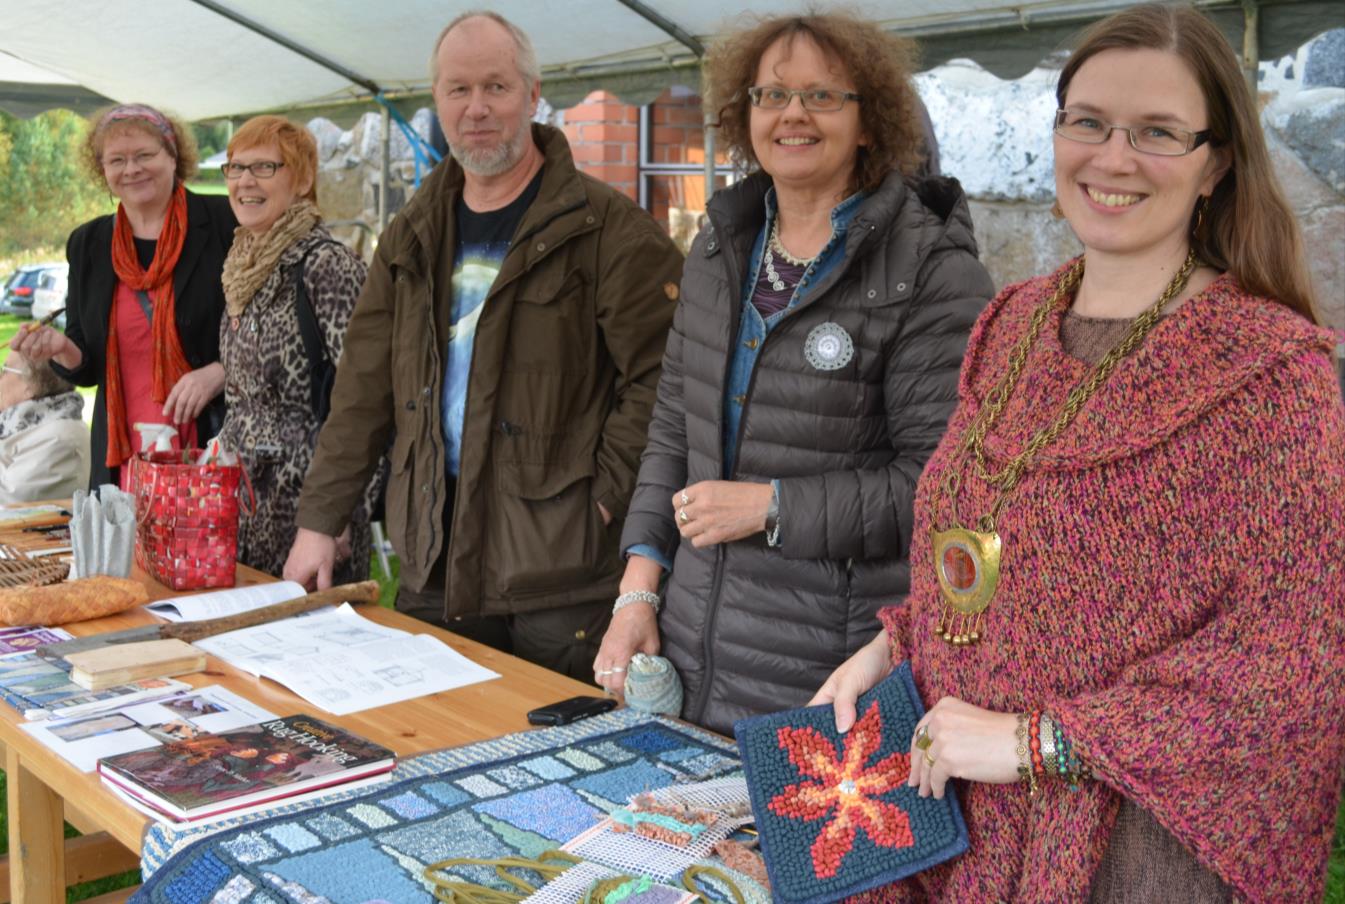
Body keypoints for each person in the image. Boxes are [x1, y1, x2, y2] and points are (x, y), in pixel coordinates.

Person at [811, 6, 1345, 901]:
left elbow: (1295, 658)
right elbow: (991, 539)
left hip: (1121, 846)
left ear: (1214, 163)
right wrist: (897, 641)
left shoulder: (1270, 375)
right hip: (946, 811)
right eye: (1087, 121)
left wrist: (1038, 742)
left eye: (1158, 133)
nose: (1112, 157)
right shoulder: (1009, 323)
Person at [592, 12, 994, 734]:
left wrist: (772, 506)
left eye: (822, 96)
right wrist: (637, 592)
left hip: (829, 677)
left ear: (870, 120)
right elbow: (670, 434)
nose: (793, 115)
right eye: (770, 96)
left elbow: (942, 491)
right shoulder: (719, 249)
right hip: (692, 655)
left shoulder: (932, 272)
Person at [284, 11, 683, 680]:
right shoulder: (411, 234)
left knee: (559, 762)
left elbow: (664, 380)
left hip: (561, 573)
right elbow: (363, 388)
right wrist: (320, 520)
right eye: (457, 90)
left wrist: (605, 493)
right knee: (429, 746)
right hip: (435, 559)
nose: (476, 109)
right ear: (435, 101)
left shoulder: (609, 230)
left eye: (495, 88)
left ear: (532, 95)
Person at [10, 104, 234, 490]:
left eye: (144, 155)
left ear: (173, 155)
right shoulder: (89, 243)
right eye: (117, 160)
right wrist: (60, 347)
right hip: (125, 452)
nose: (131, 169)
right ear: (103, 170)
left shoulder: (223, 223)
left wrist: (219, 373)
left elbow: (267, 334)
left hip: (212, 442)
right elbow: (88, 366)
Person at [216, 115, 376, 581]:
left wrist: (339, 513)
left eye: (265, 167)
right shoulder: (241, 268)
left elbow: (368, 399)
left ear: (303, 179)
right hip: (241, 509)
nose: (245, 180)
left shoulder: (328, 266)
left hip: (310, 512)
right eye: (235, 167)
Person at [0, 353, 89, 503]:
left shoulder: (59, 436)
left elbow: (9, 500)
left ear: (30, 386)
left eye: (4, 370)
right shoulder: (21, 424)